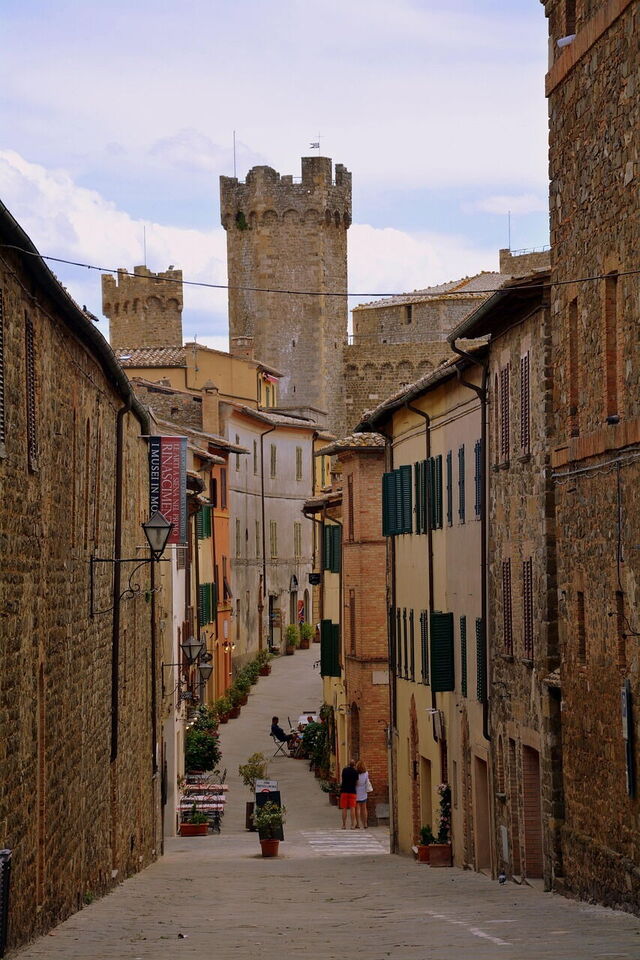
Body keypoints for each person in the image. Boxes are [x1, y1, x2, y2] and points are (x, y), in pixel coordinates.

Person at [339, 759, 358, 829]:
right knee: (352, 808)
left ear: (349, 764)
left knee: (344, 808)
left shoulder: (344, 770)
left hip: (344, 791)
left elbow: (342, 778)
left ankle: (344, 825)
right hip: (352, 792)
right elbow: (356, 783)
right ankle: (352, 825)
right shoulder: (355, 772)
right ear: (354, 764)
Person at [355, 760, 371, 829]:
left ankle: (358, 824)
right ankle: (365, 824)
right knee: (364, 808)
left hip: (357, 791)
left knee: (357, 808)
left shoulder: (356, 774)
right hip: (364, 791)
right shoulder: (366, 773)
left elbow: (355, 782)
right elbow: (367, 781)